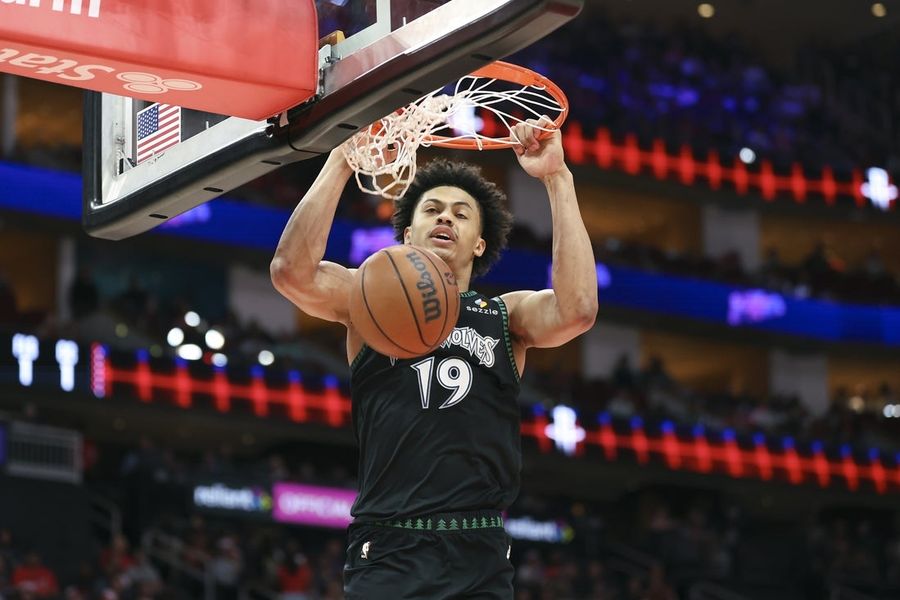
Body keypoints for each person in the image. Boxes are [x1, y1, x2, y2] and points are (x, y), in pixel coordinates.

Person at [271, 118, 598, 599]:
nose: (446, 218)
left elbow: (578, 309)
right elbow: (290, 272)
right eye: (433, 209)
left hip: (478, 548)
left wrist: (557, 179)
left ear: (479, 244)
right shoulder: (367, 298)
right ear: (407, 232)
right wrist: (343, 158)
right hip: (389, 544)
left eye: (462, 214)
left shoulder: (504, 315)